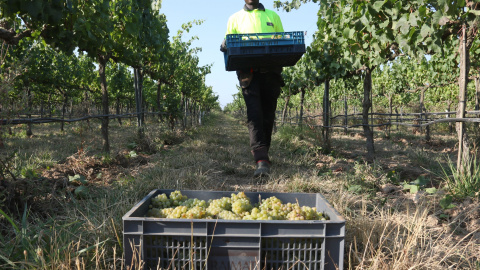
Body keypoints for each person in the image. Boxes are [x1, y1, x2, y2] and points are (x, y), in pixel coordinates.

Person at [220, 0, 285, 177]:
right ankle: (261, 159)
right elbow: (230, 43)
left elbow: (282, 43)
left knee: (268, 114)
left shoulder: (273, 16)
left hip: (271, 73)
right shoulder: (235, 19)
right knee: (254, 114)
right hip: (248, 74)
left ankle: (264, 151)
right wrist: (225, 45)